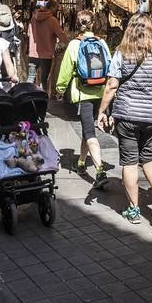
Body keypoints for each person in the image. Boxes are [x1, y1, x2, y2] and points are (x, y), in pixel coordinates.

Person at [97, 13, 152, 228]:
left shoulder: (122, 54)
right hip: (151, 117)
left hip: (128, 115)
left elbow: (112, 85)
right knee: (149, 158)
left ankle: (134, 209)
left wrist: (102, 111)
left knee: (129, 162)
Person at [55, 10, 111, 190]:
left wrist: (59, 88)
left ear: (77, 25)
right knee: (87, 130)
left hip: (83, 94)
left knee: (90, 133)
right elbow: (110, 66)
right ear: (93, 24)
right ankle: (80, 162)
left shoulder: (74, 45)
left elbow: (65, 70)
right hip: (101, 93)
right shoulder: (102, 42)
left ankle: (100, 170)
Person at [27, 1, 68, 95]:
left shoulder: (33, 18)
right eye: (56, 8)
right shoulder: (52, 20)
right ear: (52, 7)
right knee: (44, 79)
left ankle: (27, 95)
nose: (57, 10)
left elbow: (29, 33)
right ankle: (42, 97)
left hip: (33, 52)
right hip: (46, 53)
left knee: (31, 76)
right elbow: (61, 35)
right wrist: (69, 43)